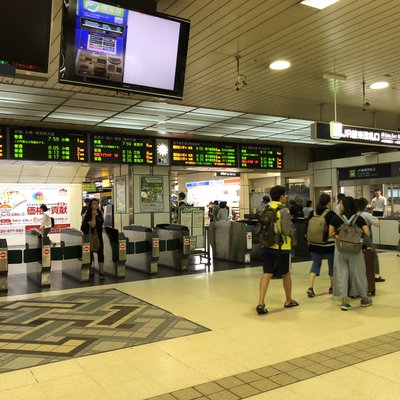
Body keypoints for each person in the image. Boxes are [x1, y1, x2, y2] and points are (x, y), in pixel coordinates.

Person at [256, 185, 299, 315]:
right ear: (281, 197)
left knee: (267, 273)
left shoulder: (266, 208)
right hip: (282, 247)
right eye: (285, 195)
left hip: (267, 245)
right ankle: (288, 300)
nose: (286, 197)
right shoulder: (284, 210)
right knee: (286, 273)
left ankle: (261, 303)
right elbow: (286, 230)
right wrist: (293, 231)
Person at [329, 196, 372, 311]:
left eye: (341, 204)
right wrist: (357, 235)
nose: (339, 205)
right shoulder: (359, 218)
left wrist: (338, 235)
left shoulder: (336, 218)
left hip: (340, 249)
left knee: (342, 273)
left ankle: (345, 302)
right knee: (358, 272)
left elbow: (330, 234)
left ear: (344, 205)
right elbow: (367, 233)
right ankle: (364, 298)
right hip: (355, 250)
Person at [306, 194, 336, 297]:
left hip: (314, 244)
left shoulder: (312, 212)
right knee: (331, 265)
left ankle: (310, 287)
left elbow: (307, 227)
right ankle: (332, 287)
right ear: (328, 202)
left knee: (315, 264)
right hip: (328, 244)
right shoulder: (331, 213)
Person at [355, 197, 385, 282]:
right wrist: (372, 215)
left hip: (353, 239)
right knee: (373, 255)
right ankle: (375, 275)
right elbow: (377, 224)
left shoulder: (353, 214)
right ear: (365, 206)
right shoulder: (365, 215)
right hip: (364, 238)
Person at [81, 199, 105, 280]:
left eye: (97, 203)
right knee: (90, 254)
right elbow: (93, 225)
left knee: (100, 253)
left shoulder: (100, 213)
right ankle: (90, 271)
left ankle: (101, 271)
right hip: (90, 236)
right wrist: (93, 215)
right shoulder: (88, 214)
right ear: (91, 205)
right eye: (94, 203)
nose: (96, 205)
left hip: (99, 236)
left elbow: (101, 223)